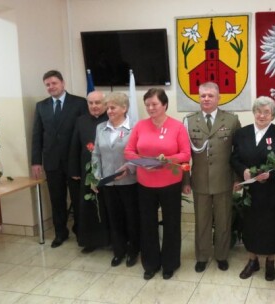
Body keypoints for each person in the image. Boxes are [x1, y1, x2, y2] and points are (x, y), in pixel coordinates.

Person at [124, 88, 191, 280]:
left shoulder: (177, 127)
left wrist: (165, 160)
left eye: (154, 104)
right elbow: (129, 151)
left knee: (171, 224)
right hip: (145, 183)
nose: (150, 108)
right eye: (147, 105)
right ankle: (150, 264)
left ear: (165, 105)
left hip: (170, 183)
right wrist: (143, 161)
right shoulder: (140, 126)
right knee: (147, 225)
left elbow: (185, 154)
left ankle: (170, 263)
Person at [230, 96, 275, 282]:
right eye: (259, 111)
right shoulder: (242, 133)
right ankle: (252, 261)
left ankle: (269, 262)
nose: (262, 115)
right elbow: (234, 158)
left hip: (274, 190)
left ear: (273, 115)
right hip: (251, 191)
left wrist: (271, 174)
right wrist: (242, 171)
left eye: (267, 112)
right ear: (254, 112)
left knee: (272, 227)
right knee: (251, 226)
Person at [182, 82, 241, 273]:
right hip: (199, 180)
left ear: (218, 98)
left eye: (210, 96)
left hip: (224, 179)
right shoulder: (189, 121)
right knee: (202, 221)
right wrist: (185, 180)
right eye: (202, 96)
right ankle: (202, 256)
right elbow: (184, 155)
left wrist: (238, 178)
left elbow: (237, 152)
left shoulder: (231, 120)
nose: (206, 99)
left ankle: (222, 255)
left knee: (224, 220)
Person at [31, 70, 87, 248]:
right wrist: (36, 161)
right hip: (52, 162)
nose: (51, 87)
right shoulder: (41, 106)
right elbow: (37, 134)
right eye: (47, 84)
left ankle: (81, 232)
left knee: (79, 199)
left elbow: (84, 132)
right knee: (57, 200)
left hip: (74, 161)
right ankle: (60, 233)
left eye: (54, 83)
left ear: (63, 83)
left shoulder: (79, 103)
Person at [92, 92, 140, 267]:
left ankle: (133, 250)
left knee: (131, 219)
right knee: (114, 218)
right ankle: (119, 251)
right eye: (108, 107)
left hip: (129, 182)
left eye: (113, 107)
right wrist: (96, 176)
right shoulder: (100, 128)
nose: (109, 111)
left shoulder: (135, 128)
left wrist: (130, 168)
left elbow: (138, 155)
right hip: (108, 183)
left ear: (124, 108)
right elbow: (96, 154)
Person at [68, 90, 109, 253]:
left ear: (105, 104)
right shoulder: (81, 121)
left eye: (98, 102)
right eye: (91, 103)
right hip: (87, 171)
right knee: (88, 207)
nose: (94, 106)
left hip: (108, 170)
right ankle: (91, 241)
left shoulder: (112, 119)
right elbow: (74, 146)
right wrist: (74, 170)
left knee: (107, 206)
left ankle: (111, 239)